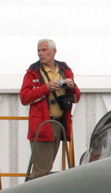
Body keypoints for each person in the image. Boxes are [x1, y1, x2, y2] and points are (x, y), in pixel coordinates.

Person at [20, 38, 80, 179]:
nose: (40, 53)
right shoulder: (33, 72)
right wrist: (45, 88)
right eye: (39, 50)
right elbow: (24, 98)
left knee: (46, 168)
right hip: (42, 124)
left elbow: (76, 97)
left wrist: (72, 87)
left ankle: (35, 191)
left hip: (59, 123)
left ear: (54, 51)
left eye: (44, 50)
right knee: (42, 170)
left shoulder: (64, 70)